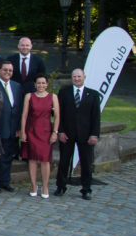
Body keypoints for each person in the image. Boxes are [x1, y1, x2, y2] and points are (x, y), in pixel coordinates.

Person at [55, 68, 101, 200]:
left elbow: (96, 117)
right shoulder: (64, 93)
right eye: (74, 77)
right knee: (64, 161)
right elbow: (60, 114)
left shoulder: (93, 94)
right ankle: (61, 186)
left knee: (86, 163)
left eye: (79, 76)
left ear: (84, 77)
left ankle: (86, 189)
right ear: (71, 78)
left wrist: (94, 134)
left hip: (86, 135)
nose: (76, 79)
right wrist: (60, 131)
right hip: (67, 134)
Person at [20, 74, 59, 198]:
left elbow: (57, 116)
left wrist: (55, 132)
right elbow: (24, 115)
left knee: (45, 160)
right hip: (31, 130)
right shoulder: (29, 96)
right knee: (32, 159)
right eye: (38, 83)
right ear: (35, 84)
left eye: (43, 83)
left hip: (46, 131)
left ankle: (45, 186)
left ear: (47, 84)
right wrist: (23, 132)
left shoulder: (53, 97)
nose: (41, 85)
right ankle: (33, 185)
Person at [0, 61, 22, 193]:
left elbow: (19, 108)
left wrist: (19, 127)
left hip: (12, 128)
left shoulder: (16, 86)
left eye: (10, 70)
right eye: (5, 70)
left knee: (8, 156)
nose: (7, 72)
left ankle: (5, 181)